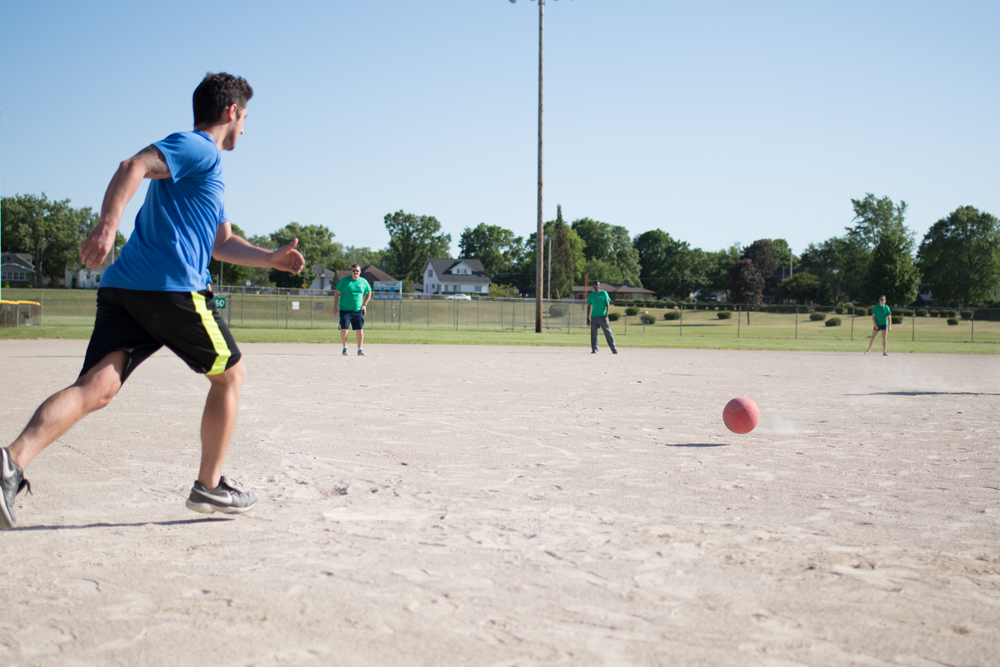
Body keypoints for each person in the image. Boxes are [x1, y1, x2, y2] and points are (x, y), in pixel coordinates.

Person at [1, 73, 305, 530]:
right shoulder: (198, 147)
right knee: (231, 375)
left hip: (127, 288)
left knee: (96, 388)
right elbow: (133, 165)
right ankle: (209, 486)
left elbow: (220, 242)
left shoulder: (207, 172)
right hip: (171, 288)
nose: (245, 128)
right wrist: (108, 225)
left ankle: (10, 464)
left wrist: (270, 259)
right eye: (246, 118)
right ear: (231, 112)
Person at [333, 264, 372, 356]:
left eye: (357, 271)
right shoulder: (344, 281)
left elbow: (369, 292)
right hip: (345, 310)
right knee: (344, 329)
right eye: (353, 270)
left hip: (358, 310)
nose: (355, 272)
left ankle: (360, 349)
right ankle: (345, 348)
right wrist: (335, 307)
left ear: (360, 272)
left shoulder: (363, 281)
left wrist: (365, 304)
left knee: (359, 330)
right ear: (351, 271)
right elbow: (336, 293)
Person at [586, 281, 618, 354]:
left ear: (600, 286)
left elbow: (608, 305)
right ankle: (595, 349)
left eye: (597, 285)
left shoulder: (604, 293)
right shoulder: (591, 295)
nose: (595, 286)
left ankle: (613, 349)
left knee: (608, 333)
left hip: (603, 317)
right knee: (594, 334)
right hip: (594, 317)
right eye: (594, 285)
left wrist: (606, 316)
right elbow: (588, 306)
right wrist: (587, 318)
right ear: (593, 286)